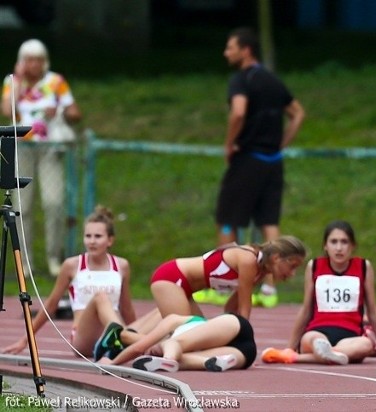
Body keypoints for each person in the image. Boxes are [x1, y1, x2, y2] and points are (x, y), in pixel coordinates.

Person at [212, 27, 305, 308]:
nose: (226, 52)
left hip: (248, 158)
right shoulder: (273, 81)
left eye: (230, 47)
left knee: (228, 219)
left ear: (246, 50)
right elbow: (298, 113)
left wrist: (229, 144)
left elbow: (239, 111)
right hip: (273, 163)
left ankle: (226, 281)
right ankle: (269, 287)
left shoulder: (241, 80)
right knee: (269, 223)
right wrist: (281, 143)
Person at [1, 206, 136, 357]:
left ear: (110, 240)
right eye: (88, 236)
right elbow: (51, 306)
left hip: (115, 333)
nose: (92, 241)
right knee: (100, 297)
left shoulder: (122, 265)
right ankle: (132, 340)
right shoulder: (72, 265)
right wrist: (25, 340)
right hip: (84, 338)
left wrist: (135, 328)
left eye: (98, 236)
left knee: (162, 316)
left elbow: (127, 309)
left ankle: (143, 342)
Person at [1, 39, 82, 277]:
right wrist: (17, 79)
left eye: (38, 59)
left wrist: (59, 110)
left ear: (44, 60)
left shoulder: (55, 82)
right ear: (21, 61)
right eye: (29, 59)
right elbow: (7, 110)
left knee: (53, 203)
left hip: (49, 147)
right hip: (21, 147)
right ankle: (24, 262)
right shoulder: (11, 82)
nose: (34, 64)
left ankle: (54, 258)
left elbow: (75, 112)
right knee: (21, 207)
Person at [261, 221, 376, 366]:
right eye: (333, 242)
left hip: (349, 338)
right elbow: (306, 310)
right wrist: (289, 347)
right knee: (314, 340)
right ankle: (329, 353)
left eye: (344, 242)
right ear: (325, 245)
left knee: (366, 344)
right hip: (317, 332)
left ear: (352, 246)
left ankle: (305, 357)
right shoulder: (315, 266)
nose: (339, 248)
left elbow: (373, 311)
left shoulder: (363, 267)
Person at [149, 235, 307, 321]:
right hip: (172, 277)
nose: (292, 273)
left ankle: (136, 335)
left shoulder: (260, 272)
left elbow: (231, 308)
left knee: (200, 333)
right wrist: (245, 341)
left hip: (185, 290)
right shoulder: (248, 260)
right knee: (185, 331)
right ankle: (132, 339)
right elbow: (245, 309)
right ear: (276, 257)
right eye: (292, 266)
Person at [102, 312, 256, 373]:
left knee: (173, 343)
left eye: (148, 352)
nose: (147, 351)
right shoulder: (176, 351)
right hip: (244, 354)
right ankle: (209, 362)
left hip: (234, 327)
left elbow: (138, 347)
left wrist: (113, 362)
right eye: (147, 354)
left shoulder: (172, 321)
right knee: (184, 361)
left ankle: (167, 360)